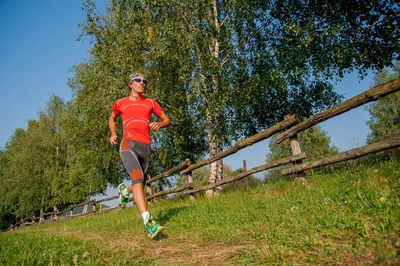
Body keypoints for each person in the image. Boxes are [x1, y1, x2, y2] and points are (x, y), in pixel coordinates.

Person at [108, 71, 171, 239]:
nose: (142, 83)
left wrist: (160, 123)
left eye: (144, 81)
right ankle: (149, 222)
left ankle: (125, 191)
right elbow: (112, 118)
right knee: (137, 176)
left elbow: (167, 119)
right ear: (130, 84)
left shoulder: (151, 103)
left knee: (139, 183)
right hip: (128, 144)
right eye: (138, 80)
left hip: (145, 147)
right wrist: (113, 134)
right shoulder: (120, 102)